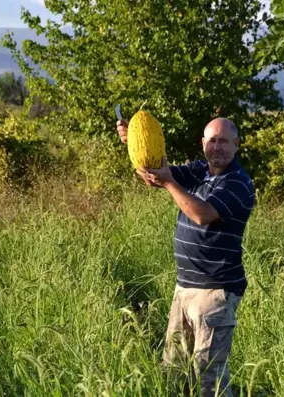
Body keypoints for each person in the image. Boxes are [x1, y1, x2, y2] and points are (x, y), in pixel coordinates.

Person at [117, 117, 255, 397]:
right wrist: (135, 141)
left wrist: (169, 184)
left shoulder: (239, 183)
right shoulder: (200, 170)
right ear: (203, 144)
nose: (217, 147)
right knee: (174, 371)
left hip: (215, 292)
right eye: (212, 140)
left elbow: (202, 214)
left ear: (236, 145)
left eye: (224, 141)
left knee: (209, 377)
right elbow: (157, 174)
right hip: (185, 288)